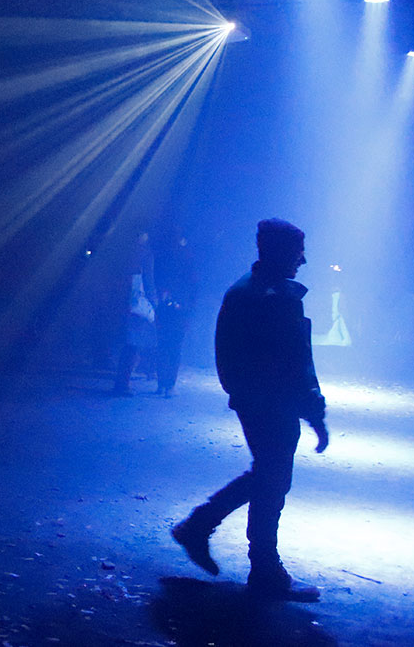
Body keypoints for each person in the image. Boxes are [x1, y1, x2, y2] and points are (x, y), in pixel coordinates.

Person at [172, 218, 329, 601]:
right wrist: (314, 410)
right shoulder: (275, 298)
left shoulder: (245, 292)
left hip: (256, 400)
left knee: (269, 477)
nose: (303, 260)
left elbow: (232, 354)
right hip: (273, 403)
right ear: (279, 251)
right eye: (297, 251)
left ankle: (214, 534)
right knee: (272, 480)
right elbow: (296, 361)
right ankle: (258, 565)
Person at [154, 227, 198, 397]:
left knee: (166, 346)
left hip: (171, 308)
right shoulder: (185, 258)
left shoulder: (166, 258)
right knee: (172, 347)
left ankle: (164, 383)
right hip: (176, 309)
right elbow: (193, 286)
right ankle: (167, 384)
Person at [114, 231, 156, 394]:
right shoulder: (145, 254)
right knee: (134, 344)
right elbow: (148, 279)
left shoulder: (123, 251)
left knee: (128, 344)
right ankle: (123, 384)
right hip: (137, 304)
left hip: (123, 302)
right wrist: (153, 301)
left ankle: (122, 382)